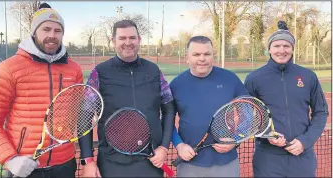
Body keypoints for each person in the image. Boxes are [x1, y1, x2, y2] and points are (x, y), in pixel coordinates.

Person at [0, 3, 82, 178]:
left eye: (57, 30)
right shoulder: (8, 69)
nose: (52, 35)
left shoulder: (74, 70)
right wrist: (10, 159)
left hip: (66, 166)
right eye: (46, 29)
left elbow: (75, 115)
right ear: (34, 32)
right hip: (24, 167)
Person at [78, 19, 175, 177]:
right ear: (113, 41)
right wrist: (88, 160)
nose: (128, 42)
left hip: (150, 160)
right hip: (112, 163)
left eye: (132, 38)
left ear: (139, 40)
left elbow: (169, 108)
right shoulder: (99, 73)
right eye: (122, 38)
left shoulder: (154, 71)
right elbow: (84, 116)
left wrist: (164, 148)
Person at [244, 20, 329, 177]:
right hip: (268, 158)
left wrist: (305, 141)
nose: (281, 50)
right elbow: (247, 116)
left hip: (302, 156)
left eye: (286, 46)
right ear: (269, 49)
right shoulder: (254, 79)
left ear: (292, 49)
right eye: (276, 46)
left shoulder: (308, 76)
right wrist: (268, 134)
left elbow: (321, 112)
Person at [170, 36, 248, 177]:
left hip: (226, 163)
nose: (202, 58)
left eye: (207, 54)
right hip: (190, 164)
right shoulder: (176, 85)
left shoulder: (230, 79)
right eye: (196, 54)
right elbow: (167, 121)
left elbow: (248, 112)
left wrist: (236, 139)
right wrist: (179, 145)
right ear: (187, 57)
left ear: (213, 56)